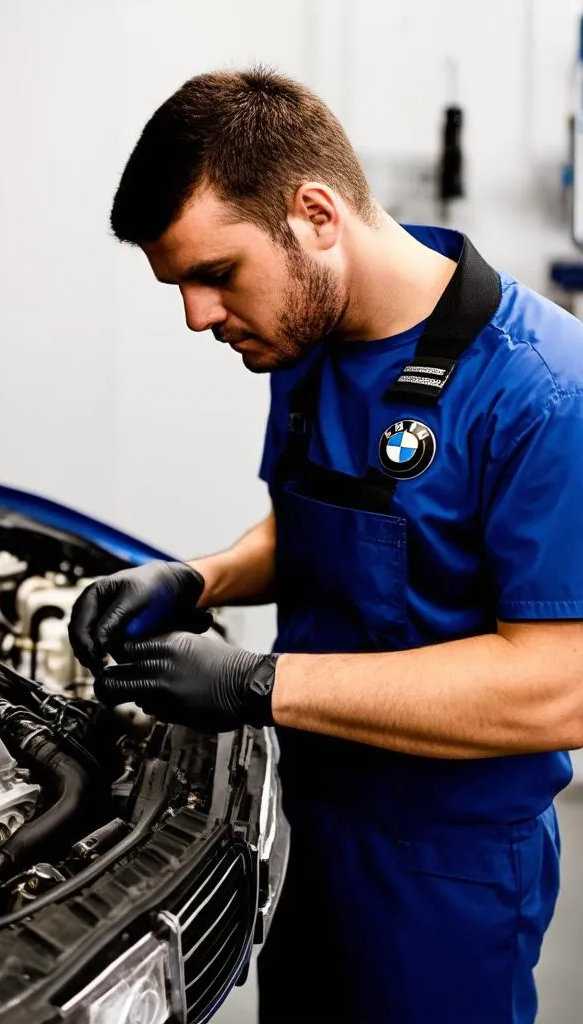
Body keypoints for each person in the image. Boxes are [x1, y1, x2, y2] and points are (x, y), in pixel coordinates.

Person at [68, 66, 583, 1024]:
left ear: (314, 214)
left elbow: (560, 684)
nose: (197, 317)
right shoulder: (307, 341)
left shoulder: (546, 393)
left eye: (215, 275)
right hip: (315, 824)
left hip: (450, 867)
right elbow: (321, 524)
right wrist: (197, 576)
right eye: (180, 286)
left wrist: (255, 684)